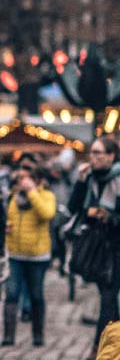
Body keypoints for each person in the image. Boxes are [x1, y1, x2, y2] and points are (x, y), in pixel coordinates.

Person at [68, 137, 120, 353]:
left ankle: (101, 349)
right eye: (92, 153)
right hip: (99, 248)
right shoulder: (90, 179)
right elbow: (73, 208)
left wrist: (109, 216)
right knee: (108, 299)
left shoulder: (117, 179)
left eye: (98, 153)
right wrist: (80, 181)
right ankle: (111, 347)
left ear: (111, 156)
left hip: (117, 246)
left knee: (108, 298)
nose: (93, 157)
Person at [1, 166, 54, 347]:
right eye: (19, 178)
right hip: (15, 254)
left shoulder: (46, 196)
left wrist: (32, 192)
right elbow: (2, 217)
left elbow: (47, 213)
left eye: (25, 178)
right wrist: (4, 226)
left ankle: (38, 335)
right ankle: (9, 335)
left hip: (37, 255)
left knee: (36, 294)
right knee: (11, 294)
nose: (21, 182)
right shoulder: (11, 197)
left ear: (36, 179)